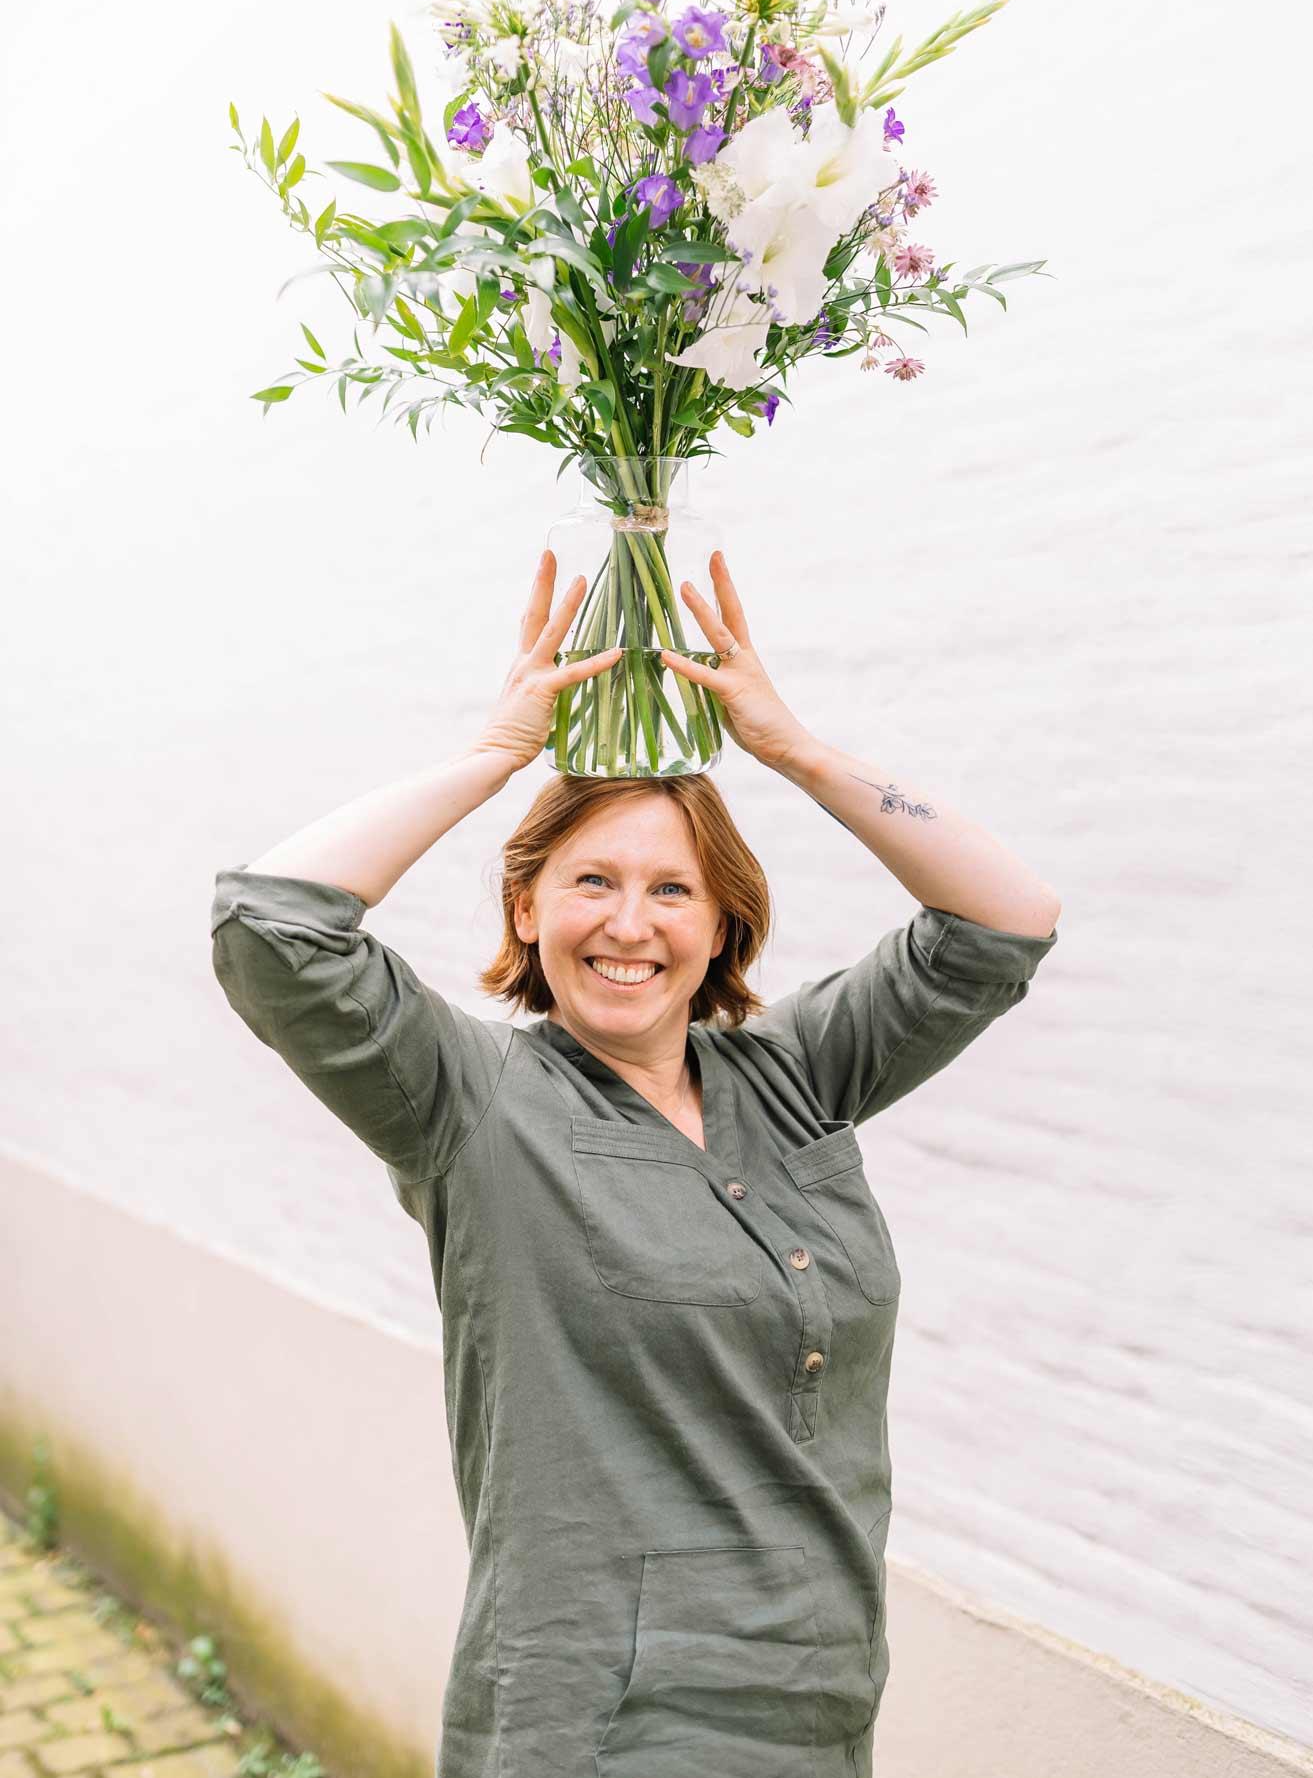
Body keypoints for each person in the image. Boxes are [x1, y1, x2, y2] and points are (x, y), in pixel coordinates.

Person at [210, 548, 1061, 1778]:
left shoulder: (797, 1075)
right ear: (525, 908)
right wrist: (495, 752)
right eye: (589, 880)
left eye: (672, 888)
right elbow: (270, 922)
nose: (628, 922)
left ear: (720, 921)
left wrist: (797, 751)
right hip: (599, 1719)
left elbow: (1003, 921)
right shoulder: (473, 1103)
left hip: (818, 1700)